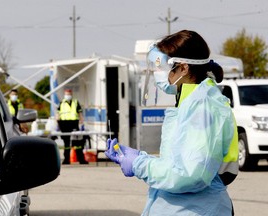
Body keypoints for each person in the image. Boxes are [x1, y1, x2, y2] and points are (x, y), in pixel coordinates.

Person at [105, 30, 239, 215]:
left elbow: (190, 175)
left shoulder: (202, 107)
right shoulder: (190, 102)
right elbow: (182, 161)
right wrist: (141, 157)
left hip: (196, 209)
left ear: (183, 68)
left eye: (162, 67)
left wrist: (140, 164)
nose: (158, 74)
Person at [57, 88, 88, 165]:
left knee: (77, 142)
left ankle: (81, 159)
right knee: (66, 143)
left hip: (74, 124)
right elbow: (58, 114)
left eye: (69, 94)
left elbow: (80, 113)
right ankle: (66, 160)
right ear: (64, 94)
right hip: (64, 124)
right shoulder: (62, 103)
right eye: (67, 94)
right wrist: (57, 123)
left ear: (71, 94)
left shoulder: (75, 102)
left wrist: (82, 122)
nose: (68, 95)